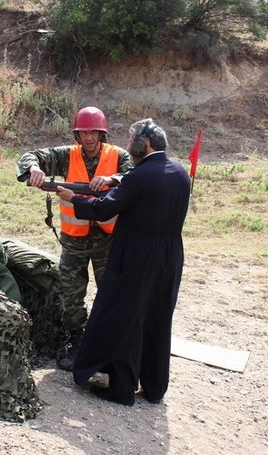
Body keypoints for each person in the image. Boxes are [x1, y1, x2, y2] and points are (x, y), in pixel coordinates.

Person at [55, 118, 191, 405]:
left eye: (133, 142)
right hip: (170, 254)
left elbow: (104, 209)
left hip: (138, 254)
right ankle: (154, 387)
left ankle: (122, 389)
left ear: (146, 144)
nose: (129, 148)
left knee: (123, 316)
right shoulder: (180, 172)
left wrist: (73, 198)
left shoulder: (140, 175)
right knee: (157, 318)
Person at [17, 106, 134, 371]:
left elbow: (134, 176)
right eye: (84, 132)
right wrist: (34, 168)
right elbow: (29, 156)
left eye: (94, 132)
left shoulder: (118, 156)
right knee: (70, 296)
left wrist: (113, 178)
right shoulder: (66, 156)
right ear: (77, 135)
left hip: (108, 240)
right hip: (74, 240)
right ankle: (76, 340)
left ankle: (108, 344)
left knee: (111, 294)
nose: (89, 137)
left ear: (102, 134)